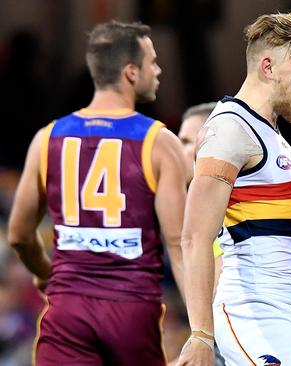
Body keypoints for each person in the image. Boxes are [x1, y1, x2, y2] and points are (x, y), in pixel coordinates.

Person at [7, 21, 187, 365]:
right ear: (131, 72)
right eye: (153, 61)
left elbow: (18, 235)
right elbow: (179, 245)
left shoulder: (47, 138)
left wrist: (46, 272)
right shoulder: (159, 142)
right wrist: (202, 332)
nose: (159, 69)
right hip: (133, 311)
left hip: (67, 310)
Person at [176, 10, 291, 366]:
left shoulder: (271, 135)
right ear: (268, 67)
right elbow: (195, 237)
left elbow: (273, 242)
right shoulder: (231, 129)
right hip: (253, 313)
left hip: (283, 312)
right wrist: (201, 335)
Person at [178, 102, 226, 366]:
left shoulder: (227, 199)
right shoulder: (192, 202)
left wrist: (202, 336)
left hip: (235, 342)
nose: (177, 150)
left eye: (186, 141)